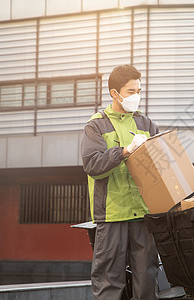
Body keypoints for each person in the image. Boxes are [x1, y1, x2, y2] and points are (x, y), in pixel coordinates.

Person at [81, 65, 159, 300]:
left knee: (147, 281)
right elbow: (92, 165)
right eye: (131, 91)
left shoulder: (146, 124)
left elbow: (162, 164)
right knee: (109, 282)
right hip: (112, 215)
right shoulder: (95, 125)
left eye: (139, 90)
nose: (137, 96)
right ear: (115, 93)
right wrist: (125, 151)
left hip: (142, 214)